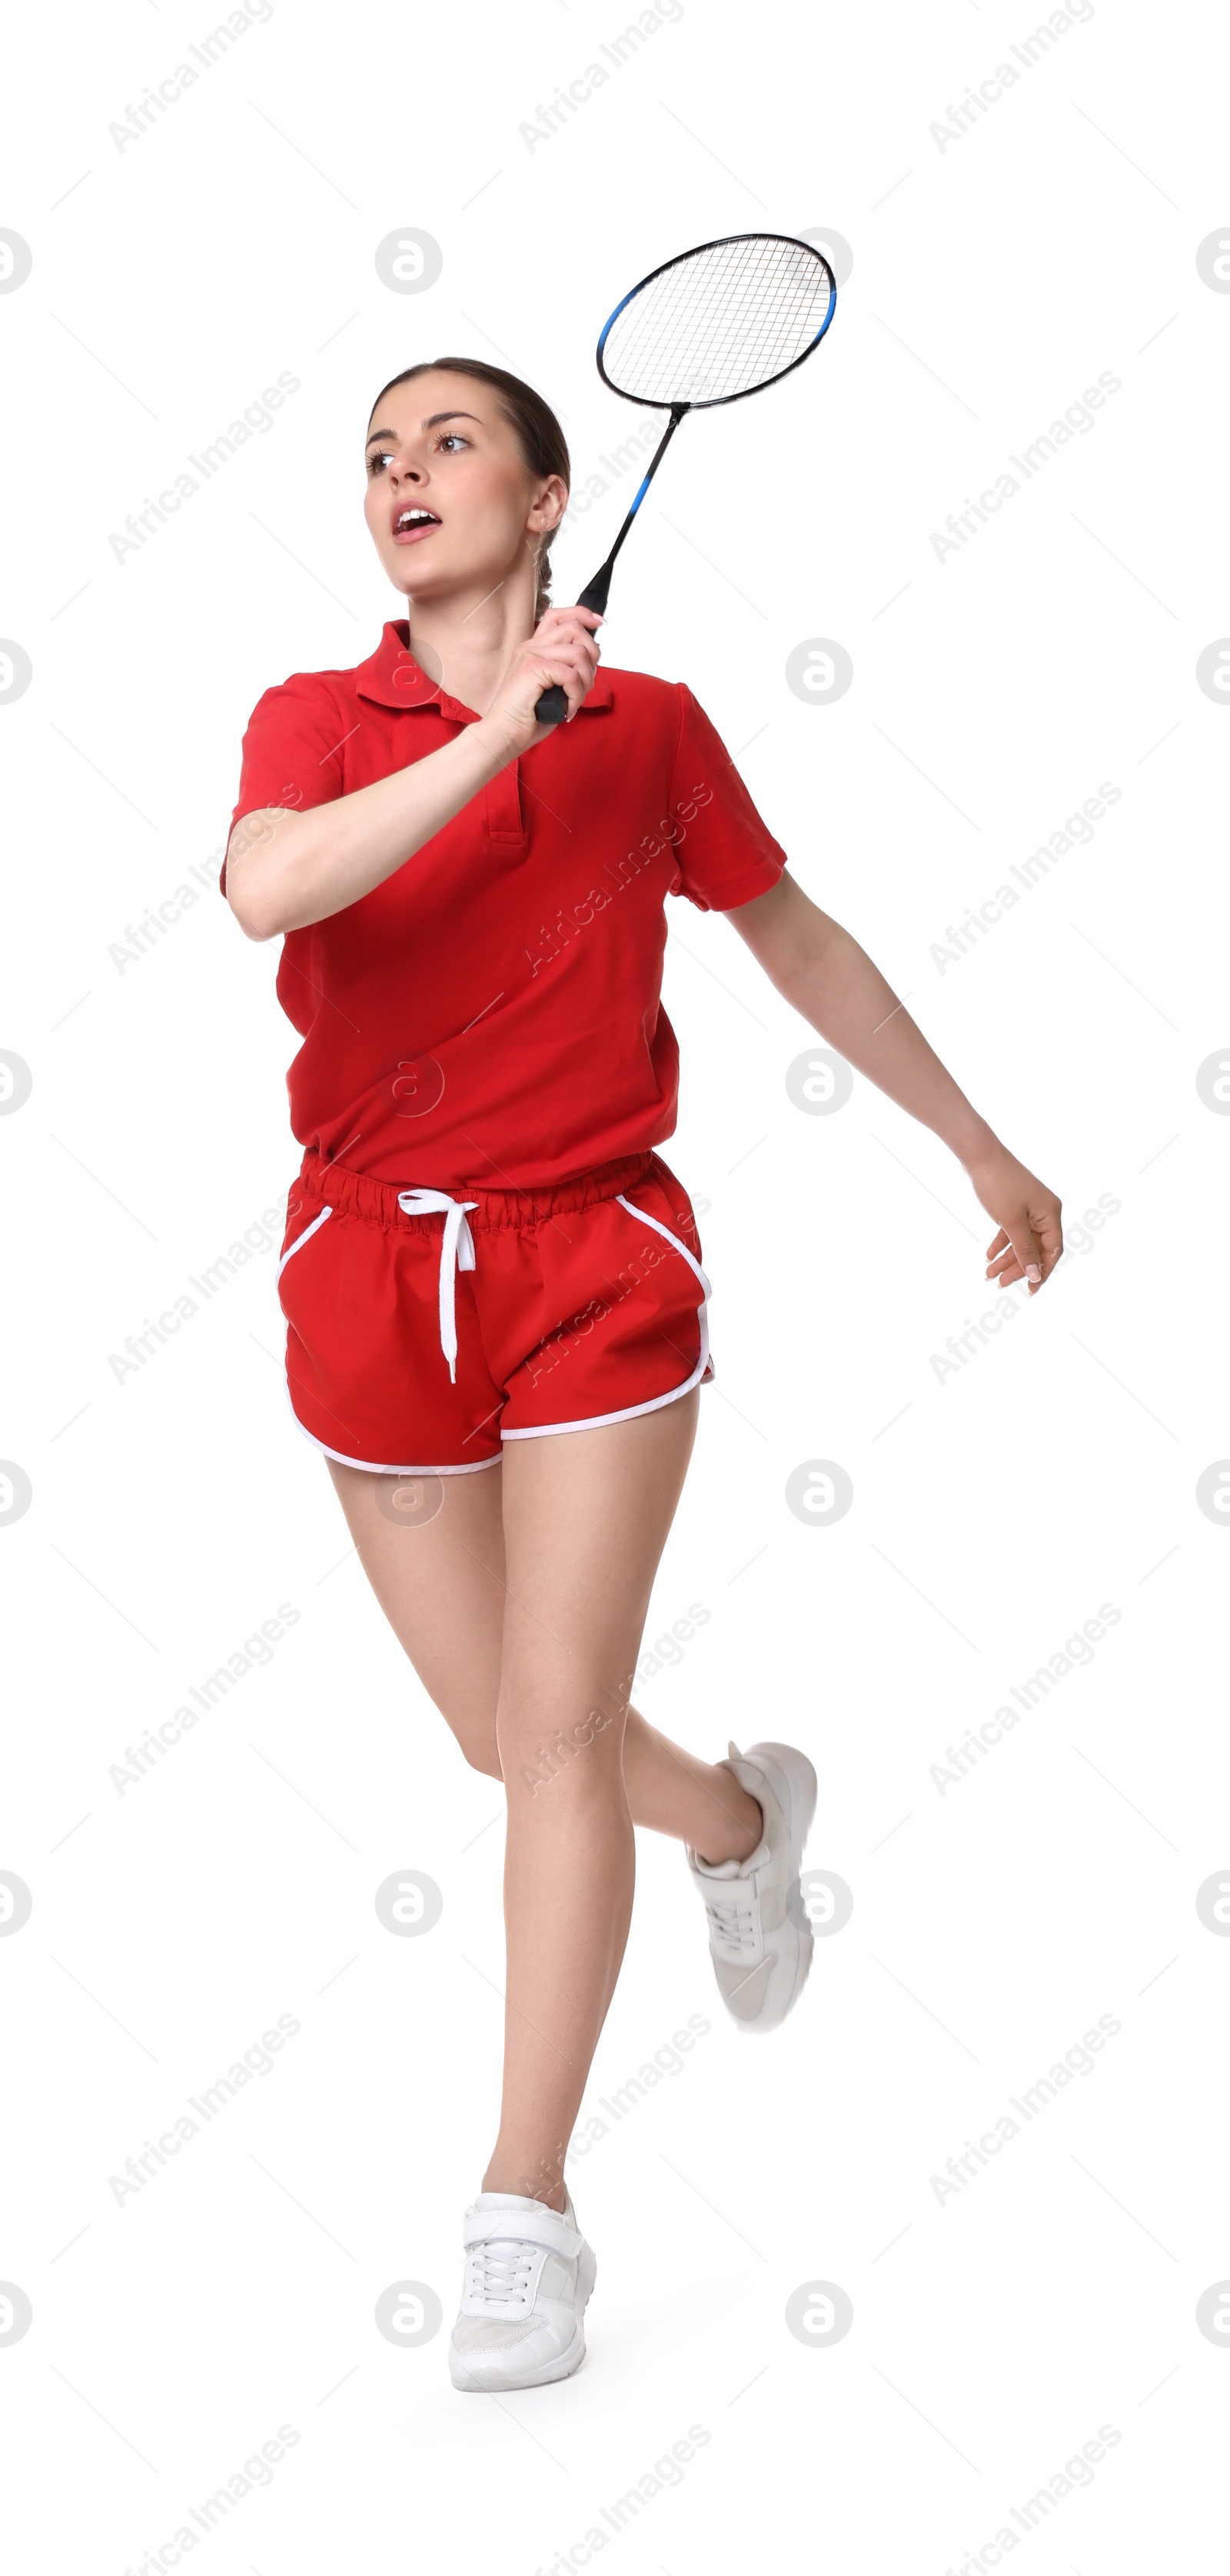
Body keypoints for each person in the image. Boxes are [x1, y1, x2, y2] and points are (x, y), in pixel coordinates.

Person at [221, 354, 1062, 2394]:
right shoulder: (317, 720)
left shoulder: (654, 734)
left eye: (445, 443)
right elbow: (271, 889)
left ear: (551, 493)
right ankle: (745, 1827)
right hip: (371, 1274)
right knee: (515, 1743)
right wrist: (497, 727)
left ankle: (527, 2208)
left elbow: (797, 938)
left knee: (560, 1732)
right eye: (374, 454)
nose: (399, 474)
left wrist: (977, 1138)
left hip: (596, 1270)